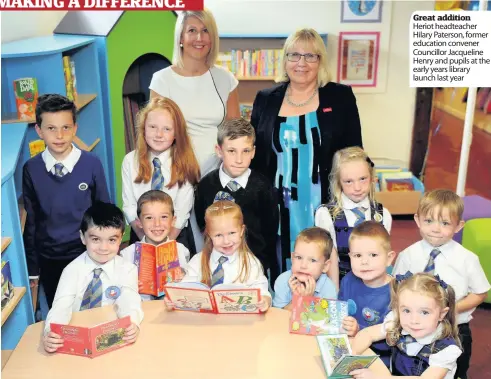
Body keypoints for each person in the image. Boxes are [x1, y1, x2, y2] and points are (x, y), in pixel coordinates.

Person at [250, 28, 362, 283]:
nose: (301, 63)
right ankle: (282, 308)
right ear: (285, 60)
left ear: (320, 61)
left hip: (322, 202)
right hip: (277, 204)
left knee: (323, 261)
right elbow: (257, 156)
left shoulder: (340, 96)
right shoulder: (266, 98)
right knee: (279, 261)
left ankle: (322, 311)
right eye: (294, 55)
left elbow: (354, 151)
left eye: (310, 56)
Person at [23, 94, 110, 308]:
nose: (59, 135)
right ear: (39, 130)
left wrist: (105, 253)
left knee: (92, 309)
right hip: (50, 258)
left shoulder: (91, 163)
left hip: (87, 253)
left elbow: (104, 212)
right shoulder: (31, 169)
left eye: (66, 127)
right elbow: (31, 223)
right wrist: (33, 270)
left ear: (75, 128)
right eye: (51, 128)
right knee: (60, 312)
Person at [393, 189, 490, 379]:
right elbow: (397, 286)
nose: (436, 229)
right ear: (418, 219)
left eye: (445, 223)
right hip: (415, 326)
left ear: (458, 226)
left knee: (456, 372)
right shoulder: (408, 255)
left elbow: (480, 293)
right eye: (429, 221)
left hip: (454, 329)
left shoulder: (467, 259)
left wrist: (453, 309)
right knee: (411, 368)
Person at [43, 202, 143, 353]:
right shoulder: (71, 270)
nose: (103, 248)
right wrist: (51, 332)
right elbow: (61, 306)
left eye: (112, 240)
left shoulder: (127, 269)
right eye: (96, 239)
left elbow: (130, 300)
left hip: (112, 339)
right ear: (83, 237)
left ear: (121, 238)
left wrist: (133, 323)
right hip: (78, 339)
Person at [149, 9, 240, 176]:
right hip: (176, 175)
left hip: (218, 175)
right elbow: (155, 137)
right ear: (181, 38)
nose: (199, 38)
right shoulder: (161, 80)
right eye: (192, 31)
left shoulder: (225, 79)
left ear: (212, 38)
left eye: (205, 31)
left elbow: (235, 135)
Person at [194, 118, 279, 282]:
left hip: (253, 268)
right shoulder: (206, 186)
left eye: (245, 151)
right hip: (217, 266)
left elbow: (270, 230)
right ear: (219, 150)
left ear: (253, 152)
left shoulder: (263, 187)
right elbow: (203, 224)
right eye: (232, 151)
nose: (239, 159)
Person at [122, 97, 200, 254]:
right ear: (143, 128)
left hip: (175, 237)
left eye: (167, 129)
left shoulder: (183, 162)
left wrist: (164, 247)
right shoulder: (130, 160)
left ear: (177, 133)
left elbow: (182, 210)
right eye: (152, 127)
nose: (159, 134)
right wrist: (147, 242)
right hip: (141, 234)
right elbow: (129, 205)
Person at [350, 273, 462, 379]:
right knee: (353, 343)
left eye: (424, 312)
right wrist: (351, 356)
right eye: (407, 310)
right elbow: (368, 334)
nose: (414, 320)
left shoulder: (447, 350)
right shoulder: (397, 321)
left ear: (441, 314)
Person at [175, 200, 272, 313]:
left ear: (241, 231)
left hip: (238, 323)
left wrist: (265, 300)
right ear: (209, 234)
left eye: (232, 233)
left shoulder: (251, 263)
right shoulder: (198, 261)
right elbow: (185, 289)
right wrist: (176, 297)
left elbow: (262, 289)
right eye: (218, 235)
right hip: (204, 323)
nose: (226, 241)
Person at [315, 146, 392, 282]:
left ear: (372, 178)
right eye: (349, 181)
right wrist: (336, 294)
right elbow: (329, 258)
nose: (357, 188)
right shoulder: (326, 214)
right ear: (339, 182)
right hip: (340, 282)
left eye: (362, 179)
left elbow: (381, 257)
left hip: (373, 283)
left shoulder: (383, 214)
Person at [339, 221, 395, 367]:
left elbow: (391, 340)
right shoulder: (348, 280)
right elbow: (339, 313)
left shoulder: (397, 293)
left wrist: (359, 330)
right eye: (357, 255)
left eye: (373, 255)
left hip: (379, 360)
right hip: (347, 347)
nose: (364, 261)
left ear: (389, 258)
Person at [120, 190, 190, 300]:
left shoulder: (181, 250)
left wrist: (183, 276)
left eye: (164, 217)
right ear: (139, 222)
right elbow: (122, 290)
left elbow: (189, 285)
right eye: (149, 218)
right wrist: (131, 287)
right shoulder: (128, 254)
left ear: (173, 220)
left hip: (172, 308)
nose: (157, 224)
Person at [273, 227, 336, 311]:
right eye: (299, 257)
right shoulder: (282, 281)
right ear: (292, 258)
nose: (303, 265)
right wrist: (298, 299)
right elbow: (279, 317)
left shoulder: (328, 288)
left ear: (325, 266)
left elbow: (325, 321)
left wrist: (307, 300)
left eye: (312, 260)